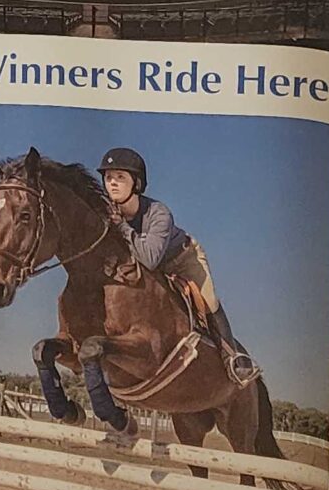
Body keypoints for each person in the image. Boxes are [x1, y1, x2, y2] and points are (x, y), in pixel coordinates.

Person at [98, 145, 254, 382]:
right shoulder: (105, 213)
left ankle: (233, 357)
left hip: (182, 259)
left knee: (209, 300)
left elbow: (150, 258)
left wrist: (120, 226)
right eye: (109, 177)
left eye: (120, 177)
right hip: (145, 266)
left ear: (136, 183)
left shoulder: (159, 213)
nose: (113, 183)